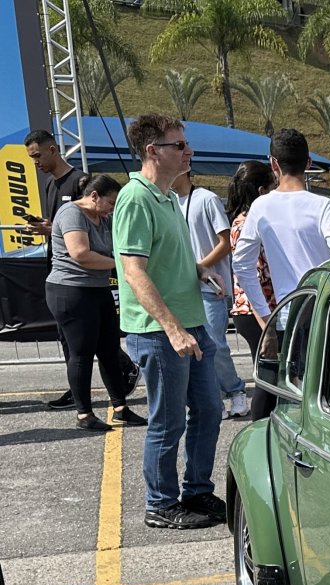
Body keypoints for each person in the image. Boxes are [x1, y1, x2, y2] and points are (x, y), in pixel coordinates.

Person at [113, 114, 224, 530]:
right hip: (161, 331)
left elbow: (162, 258)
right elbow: (134, 270)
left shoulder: (166, 196)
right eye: (179, 145)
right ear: (152, 151)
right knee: (168, 419)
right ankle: (160, 502)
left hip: (190, 323)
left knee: (209, 410)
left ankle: (196, 491)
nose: (188, 151)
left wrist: (197, 270)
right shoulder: (136, 198)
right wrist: (173, 328)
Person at [232, 129, 330, 420]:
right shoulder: (323, 205)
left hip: (287, 315)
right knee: (326, 399)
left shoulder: (261, 206)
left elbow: (241, 265)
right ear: (308, 163)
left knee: (288, 398)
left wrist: (265, 318)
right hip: (325, 312)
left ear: (273, 164)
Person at [46, 175, 146, 431]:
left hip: (98, 288)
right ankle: (84, 413)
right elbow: (80, 254)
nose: (112, 208)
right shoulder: (71, 213)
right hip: (70, 290)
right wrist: (123, 266)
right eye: (110, 202)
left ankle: (120, 407)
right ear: (94, 196)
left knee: (110, 349)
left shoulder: (104, 218)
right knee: (81, 353)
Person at [174, 168, 249, 419]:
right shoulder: (169, 201)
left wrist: (199, 268)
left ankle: (235, 390)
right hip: (184, 287)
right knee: (195, 345)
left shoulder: (206, 199)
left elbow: (225, 243)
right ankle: (213, 396)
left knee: (214, 343)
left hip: (210, 287)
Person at [26, 129, 90, 411]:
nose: (35, 162)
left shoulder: (80, 182)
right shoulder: (51, 186)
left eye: (38, 155)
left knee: (92, 333)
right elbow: (60, 225)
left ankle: (121, 375)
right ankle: (76, 388)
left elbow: (90, 224)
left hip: (82, 273)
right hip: (58, 269)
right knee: (66, 334)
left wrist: (52, 228)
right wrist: (45, 226)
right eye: (31, 157)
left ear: (53, 149)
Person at [225, 160, 275, 378]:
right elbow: (252, 277)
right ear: (262, 191)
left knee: (271, 378)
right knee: (269, 380)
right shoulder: (248, 226)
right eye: (274, 188)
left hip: (253, 311)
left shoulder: (242, 222)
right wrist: (267, 326)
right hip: (258, 311)